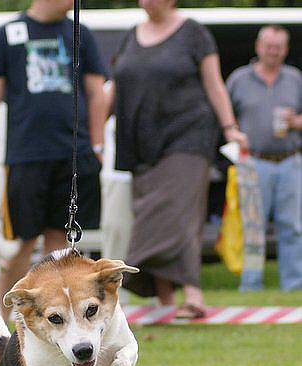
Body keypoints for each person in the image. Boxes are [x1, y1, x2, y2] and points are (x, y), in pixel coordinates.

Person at [0, 0, 106, 318]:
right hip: (26, 156)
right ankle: (0, 321)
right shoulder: (6, 34)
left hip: (73, 154)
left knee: (60, 245)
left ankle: (49, 318)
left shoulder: (80, 33)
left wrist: (98, 144)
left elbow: (97, 92)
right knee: (21, 245)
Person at [109, 0, 247, 318]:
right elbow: (114, 89)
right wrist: (91, 131)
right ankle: (166, 302)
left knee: (178, 215)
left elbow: (214, 83)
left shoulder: (193, 33)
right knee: (152, 215)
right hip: (141, 143)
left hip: (188, 136)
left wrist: (230, 128)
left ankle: (194, 294)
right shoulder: (131, 36)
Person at [227, 26, 302, 292]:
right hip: (253, 162)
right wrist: (233, 133)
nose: (273, 51)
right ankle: (251, 284)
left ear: (286, 49)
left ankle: (294, 284)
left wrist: (295, 122)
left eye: (278, 46)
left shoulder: (295, 78)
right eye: (269, 46)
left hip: (291, 161)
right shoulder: (239, 79)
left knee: (293, 226)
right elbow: (225, 115)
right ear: (259, 47)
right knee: (252, 227)